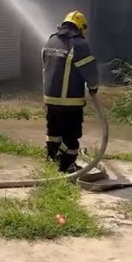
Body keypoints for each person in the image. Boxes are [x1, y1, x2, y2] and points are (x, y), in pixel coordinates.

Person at [41, 10, 100, 173]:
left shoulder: (51, 40)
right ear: (80, 28)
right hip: (70, 101)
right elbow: (90, 72)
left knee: (53, 131)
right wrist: (93, 87)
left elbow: (45, 63)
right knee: (71, 134)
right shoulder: (79, 44)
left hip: (50, 99)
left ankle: (52, 158)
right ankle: (67, 165)